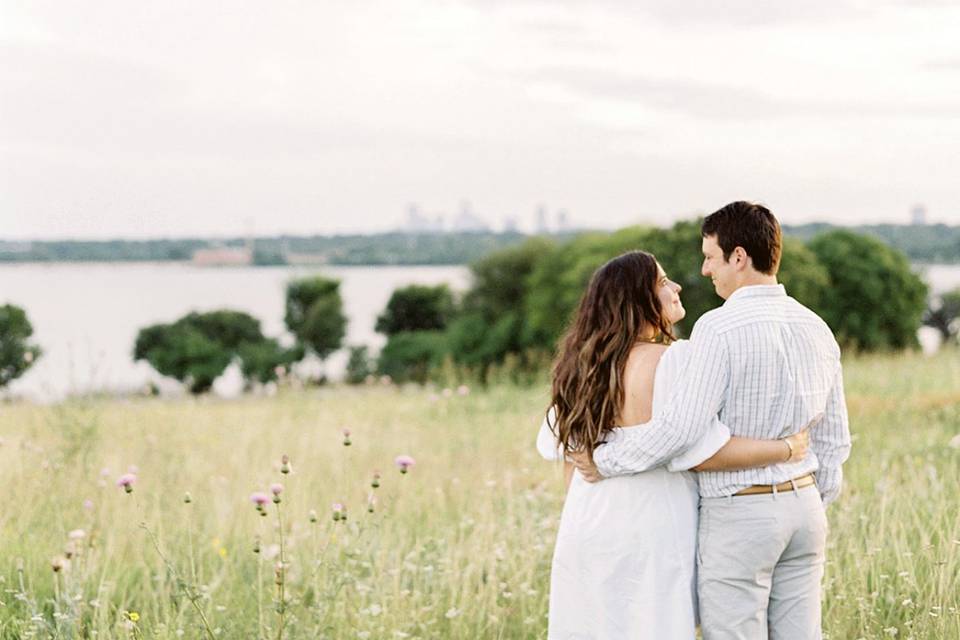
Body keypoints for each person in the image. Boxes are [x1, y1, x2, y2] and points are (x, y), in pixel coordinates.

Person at [571, 202, 851, 640]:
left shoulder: (718, 328)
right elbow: (834, 437)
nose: (704, 270)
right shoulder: (816, 326)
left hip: (741, 512)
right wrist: (811, 495)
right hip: (806, 509)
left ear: (739, 257)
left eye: (710, 257)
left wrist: (605, 460)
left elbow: (680, 431)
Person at [538, 249, 813, 639]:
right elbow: (705, 452)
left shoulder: (576, 368)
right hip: (654, 527)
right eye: (663, 282)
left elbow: (568, 460)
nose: (677, 286)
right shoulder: (675, 360)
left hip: (587, 524)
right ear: (639, 299)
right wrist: (787, 447)